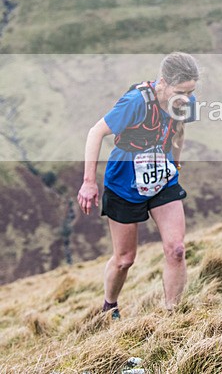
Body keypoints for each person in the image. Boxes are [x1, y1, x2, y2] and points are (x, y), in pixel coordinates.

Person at [77, 52, 199, 317]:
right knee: (125, 259)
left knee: (176, 250)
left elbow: (178, 130)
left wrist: (175, 165)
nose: (186, 98)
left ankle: (172, 316)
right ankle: (110, 306)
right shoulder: (136, 101)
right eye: (181, 91)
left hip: (162, 178)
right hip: (124, 181)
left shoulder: (185, 101)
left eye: (191, 92)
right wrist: (89, 182)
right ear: (163, 83)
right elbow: (96, 132)